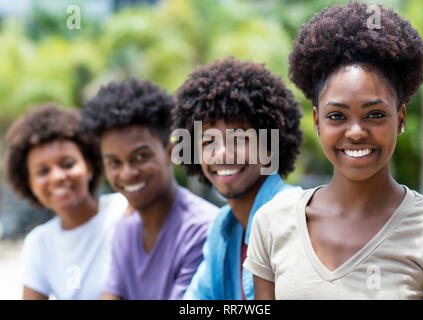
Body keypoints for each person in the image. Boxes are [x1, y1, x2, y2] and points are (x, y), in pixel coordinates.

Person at [244, 1, 423, 300]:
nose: (355, 132)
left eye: (375, 114)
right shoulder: (273, 223)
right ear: (317, 122)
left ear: (401, 119)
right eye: (337, 116)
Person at [173, 57, 303, 299]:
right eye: (208, 141)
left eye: (240, 138)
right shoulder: (223, 228)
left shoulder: (293, 216)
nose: (222, 154)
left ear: (269, 149)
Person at [81, 78, 218, 300]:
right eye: (114, 162)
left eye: (140, 157)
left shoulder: (203, 230)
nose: (127, 173)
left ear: (170, 153)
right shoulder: (126, 229)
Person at [4, 104, 128, 300]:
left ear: (88, 166)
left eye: (67, 164)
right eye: (42, 171)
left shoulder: (124, 211)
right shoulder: (39, 244)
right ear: (30, 184)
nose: (57, 177)